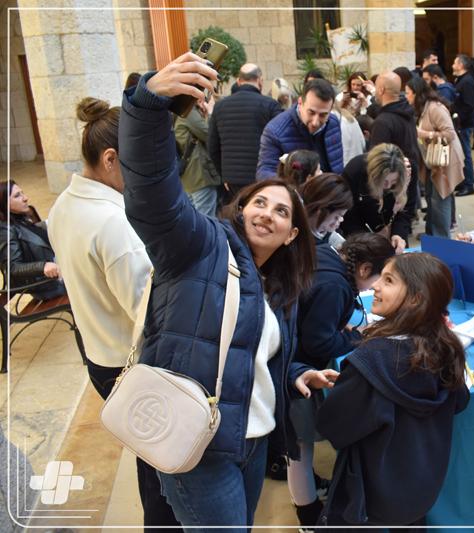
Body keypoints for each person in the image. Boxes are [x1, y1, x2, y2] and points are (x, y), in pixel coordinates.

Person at [118, 52, 339, 530]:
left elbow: (255, 351)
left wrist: (296, 372)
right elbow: (152, 195)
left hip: (253, 440)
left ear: (292, 235)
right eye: (259, 202)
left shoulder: (282, 287)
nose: (267, 214)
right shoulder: (201, 247)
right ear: (241, 209)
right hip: (197, 441)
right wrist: (146, 106)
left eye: (281, 212)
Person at [47, 97, 176, 527]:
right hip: (128, 361)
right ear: (110, 159)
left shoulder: (64, 205)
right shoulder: (112, 223)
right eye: (140, 164)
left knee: (147, 452)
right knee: (161, 467)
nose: (147, 174)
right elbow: (149, 310)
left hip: (97, 352)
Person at [316, 252, 470, 528]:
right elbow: (460, 401)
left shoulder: (370, 361)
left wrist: (351, 386)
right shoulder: (447, 349)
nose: (375, 285)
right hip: (421, 487)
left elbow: (332, 425)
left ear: (415, 299)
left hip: (371, 494)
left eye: (388, 280)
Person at [289, 232, 395, 528]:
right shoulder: (335, 287)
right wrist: (355, 338)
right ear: (364, 269)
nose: (376, 287)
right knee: (300, 443)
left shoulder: (327, 257)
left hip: (294, 359)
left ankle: (307, 492)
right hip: (296, 369)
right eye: (380, 279)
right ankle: (307, 512)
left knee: (298, 444)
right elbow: (319, 342)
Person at [207, 63, 283, 203]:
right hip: (262, 178)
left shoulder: (220, 107)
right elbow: (281, 141)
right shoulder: (270, 105)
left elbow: (212, 147)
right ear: (260, 80)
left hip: (233, 180)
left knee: (237, 213)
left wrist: (224, 175)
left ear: (238, 81)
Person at [406, 76, 464, 237]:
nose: (406, 96)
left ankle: (441, 239)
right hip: (433, 162)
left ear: (416, 93)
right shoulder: (422, 108)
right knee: (432, 199)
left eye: (408, 93)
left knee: (440, 199)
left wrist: (425, 134)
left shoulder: (435, 108)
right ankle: (432, 235)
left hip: (444, 161)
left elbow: (450, 134)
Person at [257, 78, 344, 179]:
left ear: (331, 109)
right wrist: (295, 184)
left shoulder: (333, 123)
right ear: (300, 102)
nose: (315, 122)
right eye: (311, 112)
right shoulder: (275, 131)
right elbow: (264, 173)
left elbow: (338, 168)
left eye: (323, 115)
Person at [339, 143, 413, 254]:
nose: (388, 186)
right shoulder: (355, 170)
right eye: (384, 181)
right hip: (361, 234)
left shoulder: (408, 172)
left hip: (393, 232)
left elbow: (407, 209)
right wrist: (369, 240)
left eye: (394, 182)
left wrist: (398, 234)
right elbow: (348, 216)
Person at [0, 181, 66, 300]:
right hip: (48, 284)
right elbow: (12, 268)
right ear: (4, 203)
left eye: (22, 193)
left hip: (58, 272)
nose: (25, 198)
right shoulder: (5, 231)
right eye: (17, 196)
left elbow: (36, 235)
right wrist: (42, 266)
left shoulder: (21, 217)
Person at [369, 71, 421, 215]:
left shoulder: (383, 122)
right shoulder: (407, 112)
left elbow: (377, 162)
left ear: (381, 90)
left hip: (393, 185)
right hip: (409, 175)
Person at [174, 100, 222, 217]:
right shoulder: (189, 112)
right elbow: (210, 134)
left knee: (193, 219)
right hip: (200, 176)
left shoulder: (178, 110)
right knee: (206, 221)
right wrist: (210, 113)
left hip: (188, 178)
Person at [298, 172, 352, 249]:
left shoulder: (323, 228)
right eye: (337, 217)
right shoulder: (301, 241)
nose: (341, 220)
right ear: (319, 210)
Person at [452, 54, 474, 196]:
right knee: (460, 154)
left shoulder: (467, 81)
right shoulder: (461, 80)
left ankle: (469, 184)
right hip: (460, 124)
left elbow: (470, 105)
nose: (452, 65)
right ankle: (463, 181)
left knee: (465, 155)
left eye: (455, 63)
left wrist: (458, 118)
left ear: (461, 65)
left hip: (464, 125)